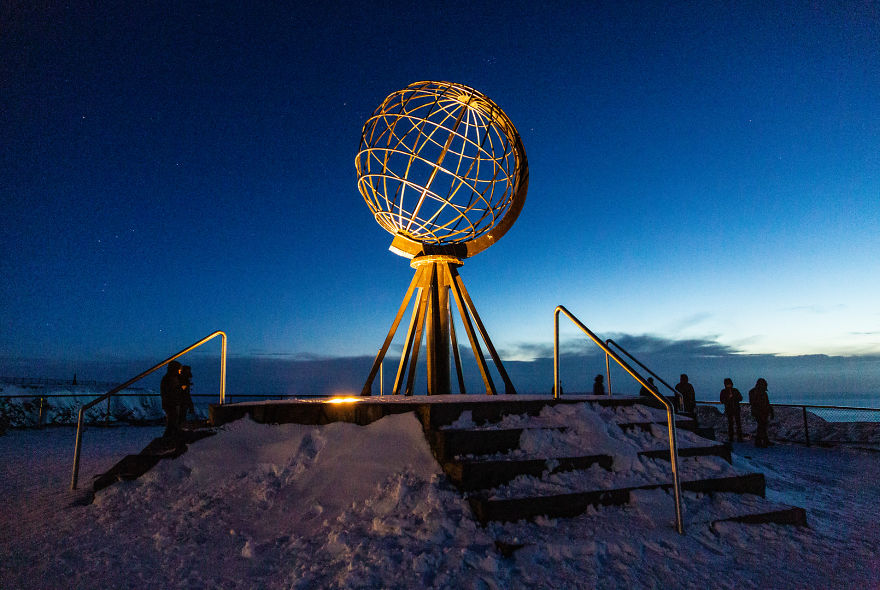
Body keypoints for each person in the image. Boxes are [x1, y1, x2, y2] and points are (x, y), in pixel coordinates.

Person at [748, 377, 774, 448]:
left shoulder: (754, 392)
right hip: (759, 412)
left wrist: (770, 411)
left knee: (762, 426)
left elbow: (767, 403)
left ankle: (764, 440)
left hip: (762, 412)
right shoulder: (756, 392)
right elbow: (754, 402)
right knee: (761, 426)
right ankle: (759, 441)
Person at [160, 361, 183, 437]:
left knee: (173, 422)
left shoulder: (169, 378)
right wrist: (181, 388)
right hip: (171, 404)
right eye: (179, 370)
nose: (180, 372)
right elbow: (172, 391)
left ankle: (171, 438)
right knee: (172, 423)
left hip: (171, 403)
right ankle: (168, 439)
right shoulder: (170, 379)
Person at [719, 378, 743, 442]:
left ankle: (739, 437)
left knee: (738, 424)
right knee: (730, 424)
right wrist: (728, 398)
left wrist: (734, 397)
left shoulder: (735, 390)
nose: (729, 385)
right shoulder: (723, 391)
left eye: (729, 384)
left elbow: (741, 398)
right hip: (729, 409)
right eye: (727, 384)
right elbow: (722, 400)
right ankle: (731, 437)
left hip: (736, 409)